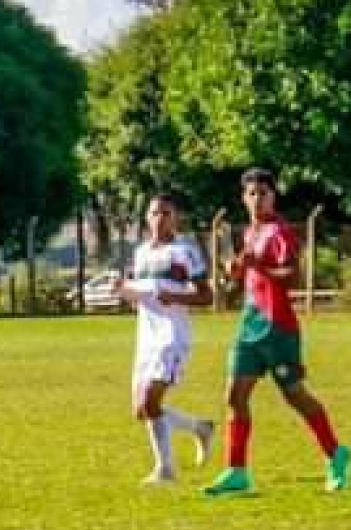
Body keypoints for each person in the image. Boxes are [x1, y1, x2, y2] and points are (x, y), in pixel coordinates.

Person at [204, 168, 349, 496]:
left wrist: (259, 267)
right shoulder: (250, 233)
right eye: (251, 194)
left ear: (274, 196)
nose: (257, 199)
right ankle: (236, 471)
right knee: (234, 396)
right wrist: (237, 271)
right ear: (244, 198)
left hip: (278, 327)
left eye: (263, 193)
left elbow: (292, 277)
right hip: (249, 325)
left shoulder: (280, 231)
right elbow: (250, 276)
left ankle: (337, 455)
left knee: (295, 396)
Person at [115, 193, 214, 485]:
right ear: (147, 217)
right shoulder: (141, 252)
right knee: (141, 410)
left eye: (166, 213)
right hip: (145, 338)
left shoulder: (185, 251)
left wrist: (174, 296)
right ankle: (200, 428)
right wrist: (122, 289)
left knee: (150, 400)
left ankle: (165, 470)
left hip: (172, 337)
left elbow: (206, 295)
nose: (160, 219)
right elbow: (142, 293)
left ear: (176, 218)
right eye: (155, 213)